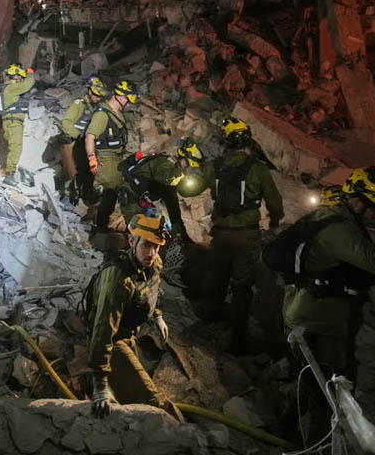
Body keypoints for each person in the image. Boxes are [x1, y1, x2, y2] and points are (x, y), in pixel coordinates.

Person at [282, 166, 375, 446]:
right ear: (358, 201)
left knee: (314, 378)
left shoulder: (338, 220)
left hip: (318, 312)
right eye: (372, 207)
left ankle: (291, 426)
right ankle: (315, 447)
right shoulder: (338, 227)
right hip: (320, 317)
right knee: (329, 390)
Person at [198, 118, 283, 354]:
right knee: (242, 286)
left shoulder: (213, 166)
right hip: (247, 236)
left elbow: (190, 188)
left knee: (218, 277)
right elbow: (275, 203)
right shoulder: (258, 168)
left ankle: (208, 322)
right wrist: (275, 222)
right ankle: (238, 339)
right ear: (247, 141)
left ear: (226, 142)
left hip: (222, 234)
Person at [85, 212, 180, 419]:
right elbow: (103, 331)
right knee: (150, 400)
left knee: (131, 382)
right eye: (146, 245)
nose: (152, 253)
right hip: (113, 338)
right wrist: (99, 384)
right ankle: (97, 379)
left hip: (129, 334)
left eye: (157, 247)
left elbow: (153, 291)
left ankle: (117, 383)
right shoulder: (117, 279)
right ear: (131, 240)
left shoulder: (153, 263)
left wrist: (157, 315)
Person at [84, 79, 138, 233]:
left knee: (120, 188)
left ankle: (104, 217)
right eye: (128, 99)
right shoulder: (102, 114)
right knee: (112, 192)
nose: (129, 104)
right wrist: (91, 158)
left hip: (118, 157)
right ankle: (101, 225)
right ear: (120, 97)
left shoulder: (117, 113)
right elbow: (90, 136)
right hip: (106, 160)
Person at [59, 75, 109, 204]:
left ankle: (87, 193)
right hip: (76, 143)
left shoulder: (94, 106)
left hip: (86, 143)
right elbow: (66, 123)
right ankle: (71, 197)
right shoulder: (78, 104)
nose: (98, 98)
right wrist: (78, 135)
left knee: (90, 170)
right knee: (78, 171)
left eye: (100, 96)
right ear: (89, 91)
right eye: (96, 95)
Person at [118, 151, 187, 238]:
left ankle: (179, 234)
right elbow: (165, 179)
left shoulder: (167, 164)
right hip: (133, 196)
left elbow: (171, 197)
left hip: (145, 199)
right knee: (137, 233)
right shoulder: (166, 164)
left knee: (153, 231)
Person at [0, 64, 36, 186]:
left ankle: (7, 170)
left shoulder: (6, 88)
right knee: (16, 148)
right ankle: (10, 175)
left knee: (11, 148)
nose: (20, 79)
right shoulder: (12, 88)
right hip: (13, 124)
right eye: (20, 77)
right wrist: (30, 74)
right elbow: (28, 84)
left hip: (9, 122)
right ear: (17, 77)